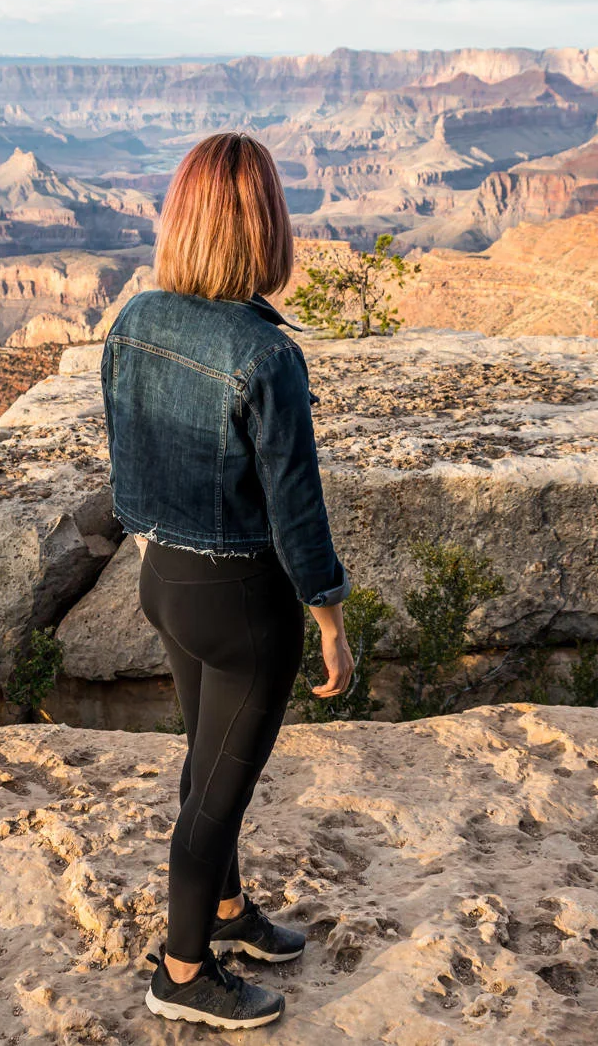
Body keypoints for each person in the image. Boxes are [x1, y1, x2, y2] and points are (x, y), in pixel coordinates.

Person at [101, 131, 355, 1030]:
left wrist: (146, 544)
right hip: (246, 607)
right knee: (214, 792)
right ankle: (181, 970)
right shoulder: (267, 356)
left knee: (207, 766)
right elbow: (297, 509)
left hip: (164, 583)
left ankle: (227, 909)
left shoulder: (134, 318)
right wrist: (329, 616)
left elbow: (125, 460)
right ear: (267, 229)